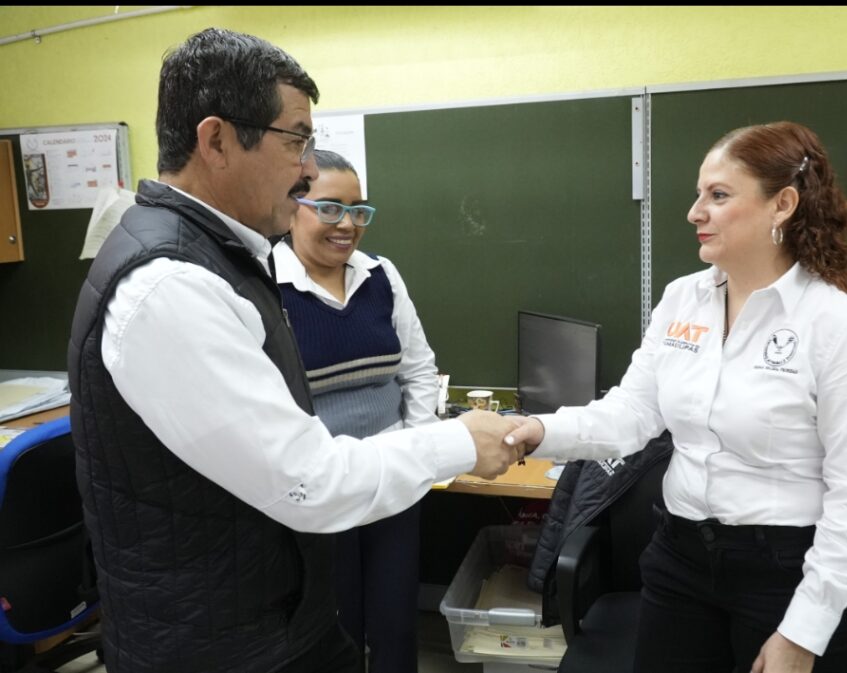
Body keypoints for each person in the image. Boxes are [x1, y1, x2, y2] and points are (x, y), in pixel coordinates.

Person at [67, 28, 523, 673]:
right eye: (296, 141)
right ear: (216, 141)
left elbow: (407, 375)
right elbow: (309, 481)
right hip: (221, 642)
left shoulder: (226, 258)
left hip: (269, 615)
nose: (308, 169)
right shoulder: (170, 286)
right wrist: (456, 442)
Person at [505, 121, 847, 673]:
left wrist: (803, 633)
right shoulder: (682, 299)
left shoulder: (840, 326)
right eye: (699, 195)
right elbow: (633, 413)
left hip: (791, 573)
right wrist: (538, 432)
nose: (695, 212)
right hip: (681, 559)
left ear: (782, 204)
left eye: (718, 195)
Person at [272, 149, 434, 673]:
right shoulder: (265, 286)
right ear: (293, 208)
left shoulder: (381, 276)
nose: (347, 225)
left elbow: (419, 370)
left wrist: (419, 450)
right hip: (319, 487)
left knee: (395, 623)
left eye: (358, 210)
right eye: (329, 208)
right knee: (333, 626)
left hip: (392, 479)